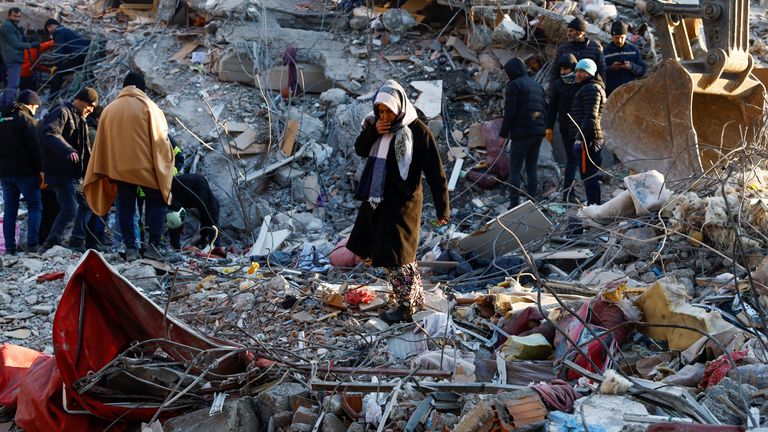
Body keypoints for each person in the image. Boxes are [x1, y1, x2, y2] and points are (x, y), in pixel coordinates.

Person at [346, 80, 450, 324]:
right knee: (394, 255)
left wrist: (442, 208)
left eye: (389, 111)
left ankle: (405, 309)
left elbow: (436, 172)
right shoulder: (375, 128)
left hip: (404, 203)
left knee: (398, 256)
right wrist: (374, 131)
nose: (384, 115)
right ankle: (412, 300)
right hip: (377, 200)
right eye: (380, 111)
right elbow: (360, 149)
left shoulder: (418, 131)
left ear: (400, 107)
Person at [83, 72, 177, 262]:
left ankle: (131, 248)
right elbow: (161, 142)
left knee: (125, 206)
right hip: (147, 169)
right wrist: (165, 168)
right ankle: (153, 247)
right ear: (142, 88)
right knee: (156, 202)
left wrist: (106, 169)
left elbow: (102, 144)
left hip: (120, 170)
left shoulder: (109, 109)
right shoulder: (150, 107)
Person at [40, 87, 98, 251]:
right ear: (80, 100)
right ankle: (50, 244)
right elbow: (50, 133)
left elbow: (85, 152)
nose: (91, 110)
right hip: (61, 172)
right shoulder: (62, 112)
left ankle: (77, 242)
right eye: (90, 106)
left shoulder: (81, 119)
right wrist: (68, 150)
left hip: (74, 175)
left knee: (87, 204)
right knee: (70, 209)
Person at [498, 58, 546, 208]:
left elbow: (509, 112)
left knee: (515, 169)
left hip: (521, 133)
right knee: (531, 167)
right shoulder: (537, 85)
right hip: (538, 132)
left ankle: (514, 204)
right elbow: (544, 108)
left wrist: (502, 135)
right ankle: (532, 202)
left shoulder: (514, 85)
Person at [0, 90, 42, 254]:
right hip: (25, 172)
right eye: (36, 107)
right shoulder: (27, 119)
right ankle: (32, 245)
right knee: (34, 206)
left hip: (4, 173)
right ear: (31, 104)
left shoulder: (2, 118)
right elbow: (35, 148)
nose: (36, 111)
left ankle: (10, 248)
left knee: (10, 209)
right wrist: (41, 169)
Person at [570, 59, 606, 205]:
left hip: (588, 139)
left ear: (590, 72)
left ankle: (594, 207)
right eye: (577, 70)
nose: (578, 74)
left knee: (589, 175)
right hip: (589, 138)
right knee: (590, 175)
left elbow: (590, 116)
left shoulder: (591, 88)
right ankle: (594, 205)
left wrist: (580, 138)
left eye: (582, 71)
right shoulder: (588, 87)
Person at [545, 54, 580, 202]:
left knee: (582, 159)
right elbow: (552, 108)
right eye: (561, 69)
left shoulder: (581, 82)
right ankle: (568, 193)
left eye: (566, 69)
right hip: (566, 127)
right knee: (572, 159)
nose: (563, 72)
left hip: (581, 128)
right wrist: (549, 127)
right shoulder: (558, 86)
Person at [168, 173, 225, 256]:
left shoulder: (211, 202)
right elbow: (210, 220)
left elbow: (207, 219)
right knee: (175, 217)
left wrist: (203, 238)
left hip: (186, 185)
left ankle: (176, 246)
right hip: (181, 187)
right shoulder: (211, 202)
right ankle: (176, 246)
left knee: (176, 216)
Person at [0, 8, 40, 108]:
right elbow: (16, 44)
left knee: (12, 83)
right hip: (13, 58)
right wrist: (31, 45)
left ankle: (4, 105)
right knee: (13, 84)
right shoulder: (7, 26)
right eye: (14, 16)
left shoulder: (13, 26)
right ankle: (9, 106)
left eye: (18, 16)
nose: (17, 18)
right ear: (9, 16)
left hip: (15, 58)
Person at [550, 17, 605, 87]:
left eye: (571, 31)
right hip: (566, 90)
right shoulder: (562, 49)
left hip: (588, 89)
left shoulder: (595, 48)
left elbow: (601, 71)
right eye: (568, 31)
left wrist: (601, 88)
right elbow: (554, 72)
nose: (568, 34)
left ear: (580, 33)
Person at [44, 19, 90, 99]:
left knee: (58, 73)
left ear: (49, 26)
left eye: (49, 30)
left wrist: (56, 66)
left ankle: (52, 98)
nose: (50, 32)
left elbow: (59, 51)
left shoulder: (58, 32)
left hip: (78, 55)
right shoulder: (65, 30)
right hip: (84, 54)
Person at [604, 21, 646, 96]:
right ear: (612, 37)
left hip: (631, 92)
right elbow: (600, 71)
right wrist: (611, 68)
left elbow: (642, 70)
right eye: (616, 38)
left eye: (622, 38)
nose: (619, 41)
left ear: (626, 36)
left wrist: (631, 66)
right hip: (612, 93)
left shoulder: (633, 50)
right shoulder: (605, 51)